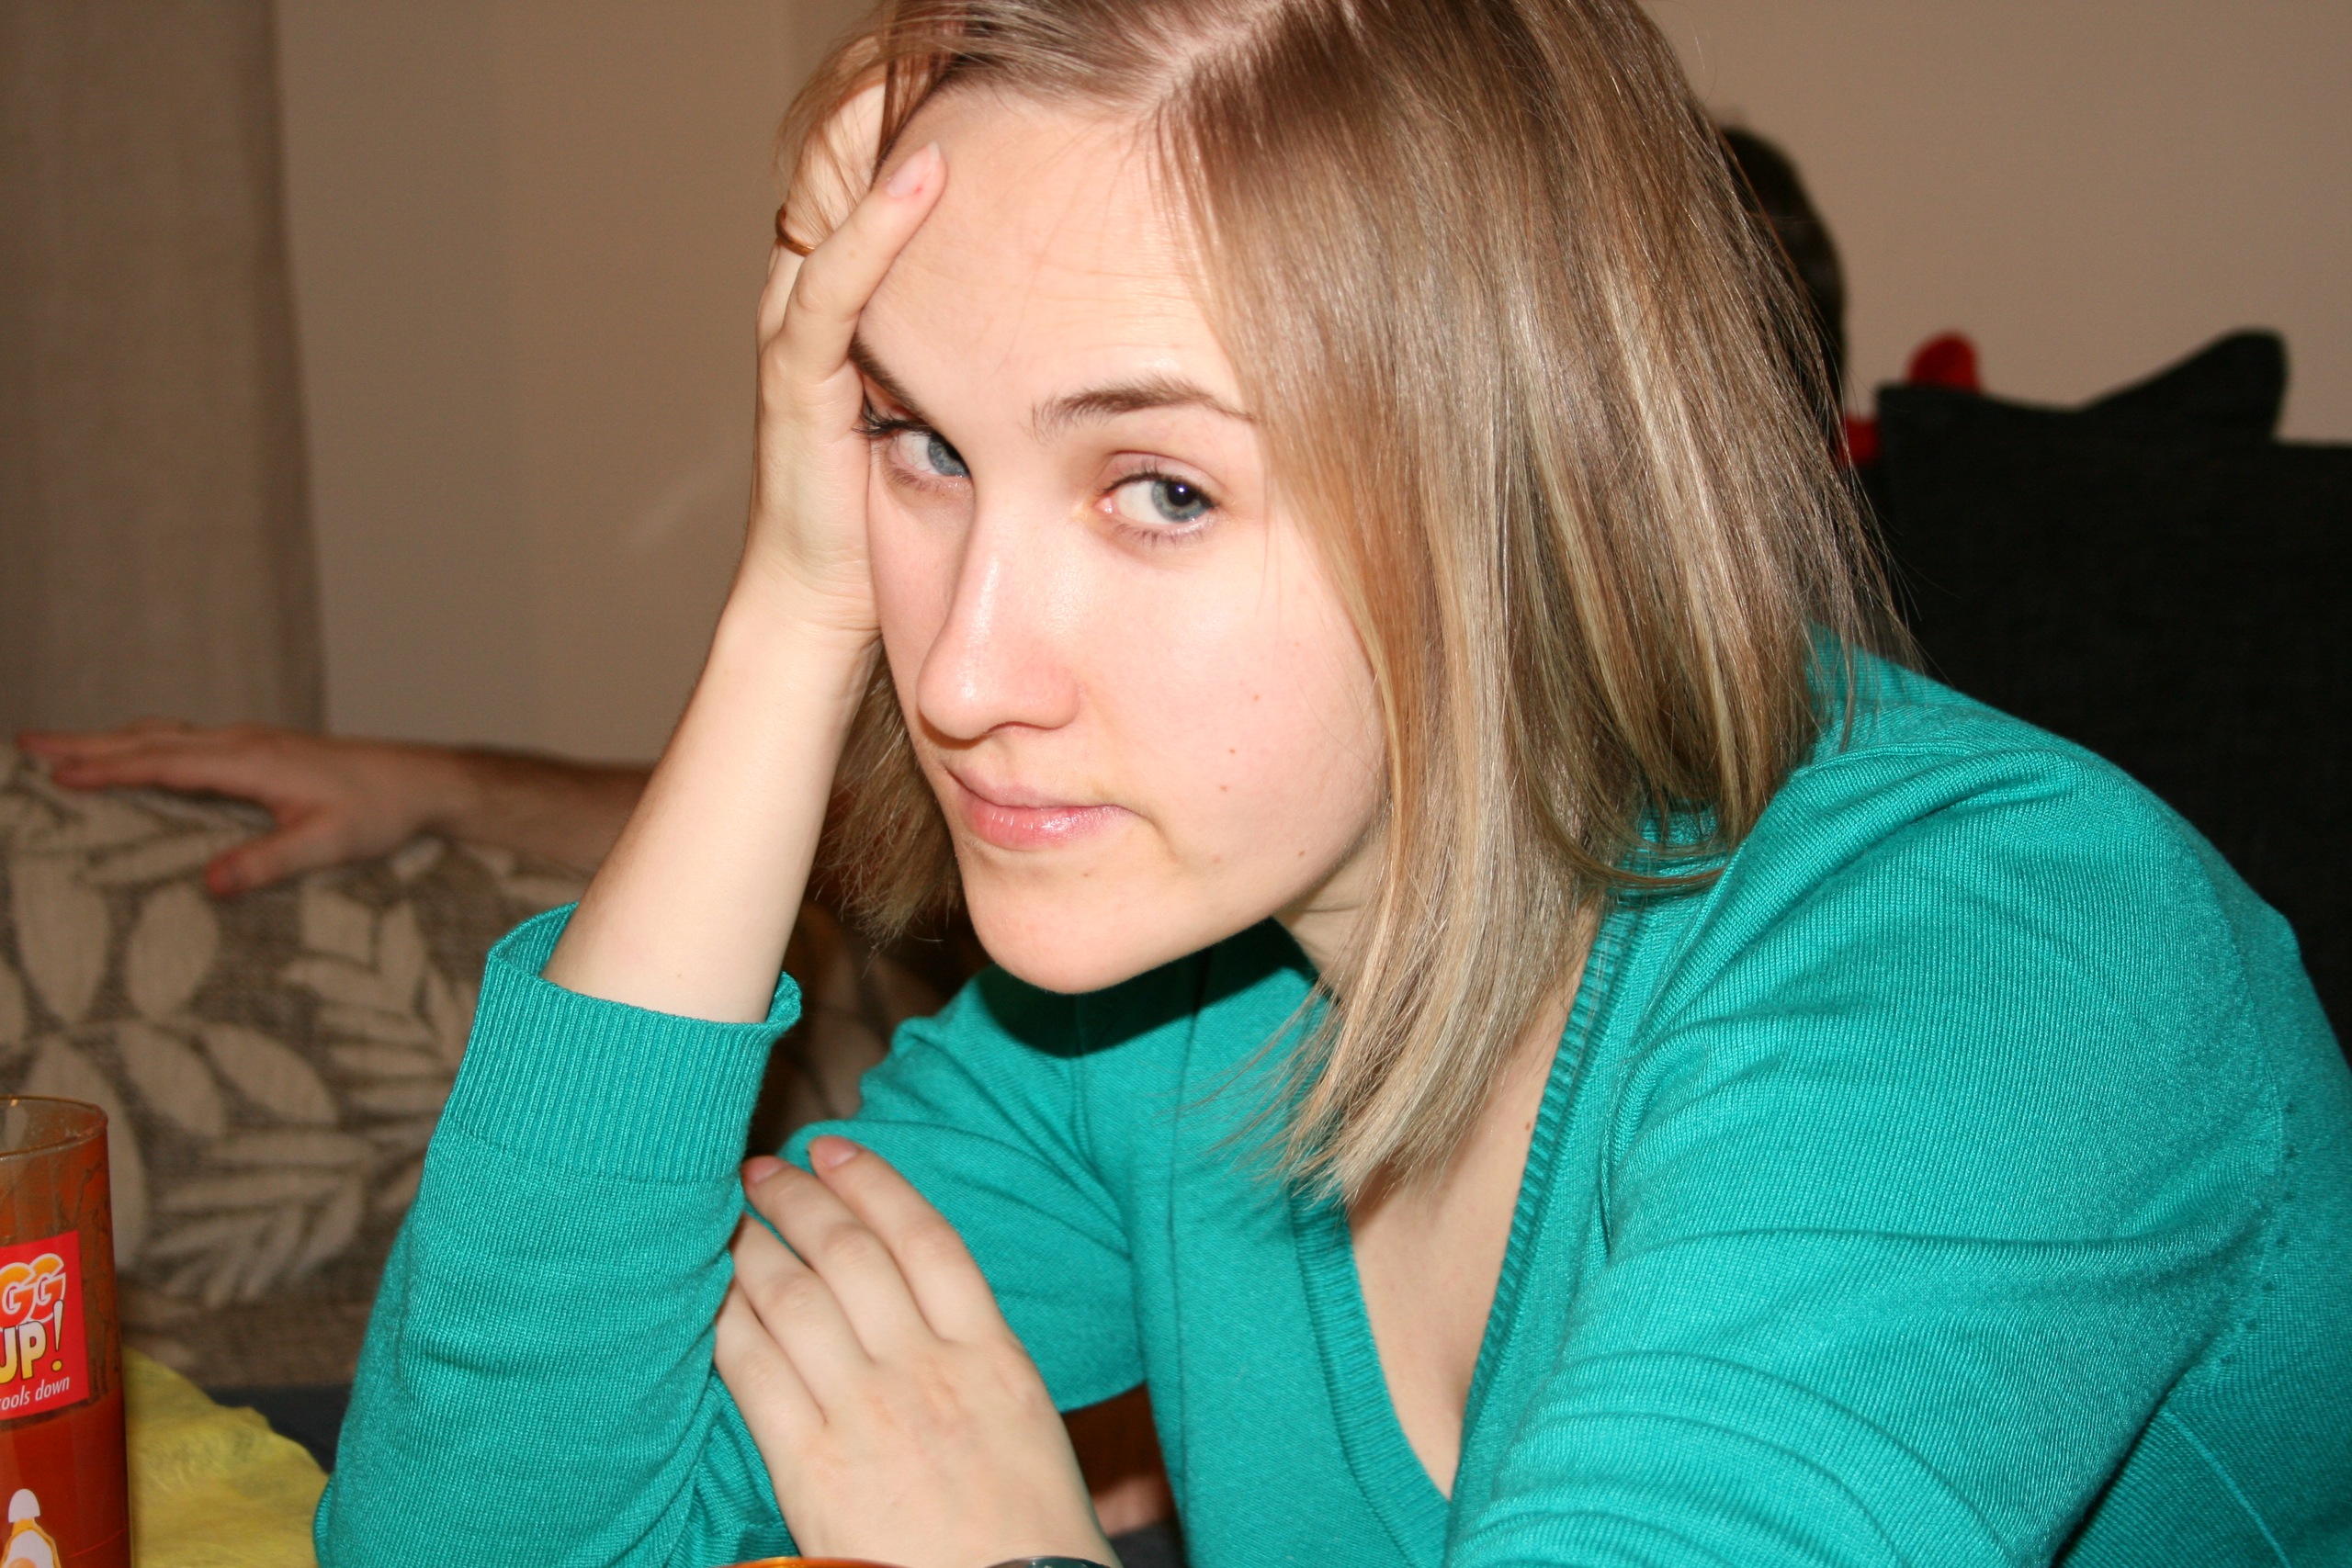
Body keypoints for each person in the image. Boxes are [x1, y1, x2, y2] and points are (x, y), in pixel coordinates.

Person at [88, 1, 2352, 1563]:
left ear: (1522, 491)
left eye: (1159, 489)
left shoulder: (2000, 978)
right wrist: (786, 609)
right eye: (918, 443)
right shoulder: (1166, 1005)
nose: (961, 671)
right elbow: (475, 1533)